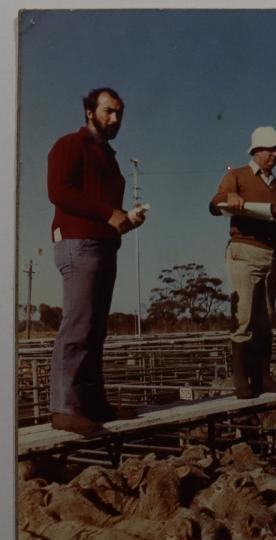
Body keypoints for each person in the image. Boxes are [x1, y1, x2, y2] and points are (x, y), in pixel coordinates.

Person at [48, 87, 147, 434]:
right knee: (78, 325)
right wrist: (109, 213)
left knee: (95, 328)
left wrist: (125, 219)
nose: (115, 119)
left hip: (103, 244)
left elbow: (104, 210)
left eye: (119, 113)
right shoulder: (70, 145)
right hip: (78, 244)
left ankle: (92, 403)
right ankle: (64, 407)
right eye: (108, 111)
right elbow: (59, 191)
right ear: (90, 112)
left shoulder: (108, 156)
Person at [210, 126, 276, 398]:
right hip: (244, 250)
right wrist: (230, 198)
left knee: (265, 319)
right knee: (244, 316)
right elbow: (215, 203)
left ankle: (262, 376)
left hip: (271, 255)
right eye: (269, 150)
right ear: (256, 151)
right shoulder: (236, 175)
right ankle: (241, 380)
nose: (274, 155)